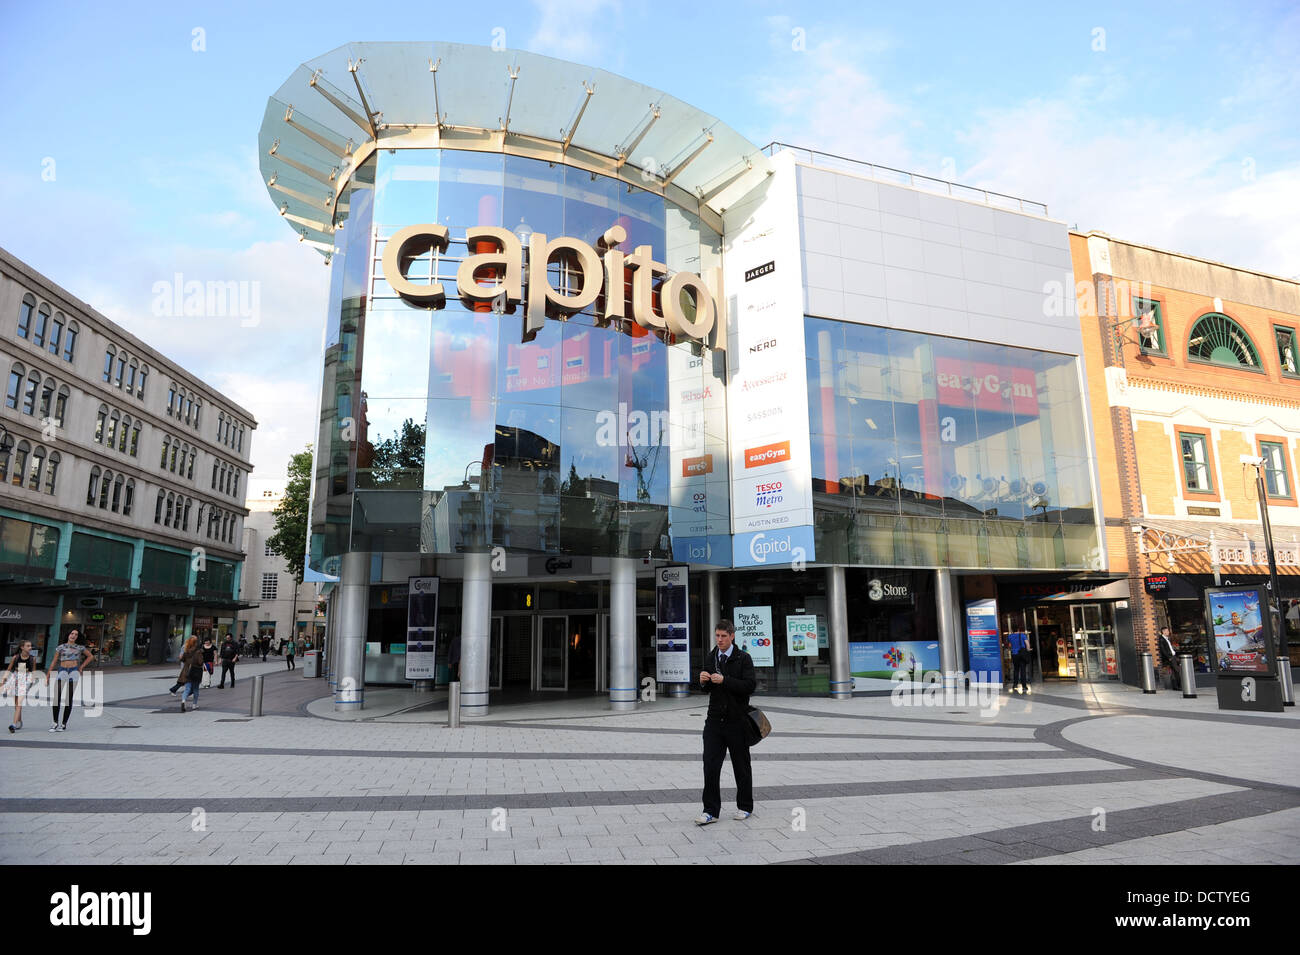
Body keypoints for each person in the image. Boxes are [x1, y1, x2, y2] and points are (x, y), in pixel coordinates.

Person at [696, 619, 756, 826]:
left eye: (723, 636)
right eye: (717, 636)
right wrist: (703, 682)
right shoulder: (711, 657)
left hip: (737, 721)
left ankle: (745, 806)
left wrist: (725, 681)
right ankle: (710, 810)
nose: (719, 640)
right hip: (713, 721)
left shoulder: (743, 658)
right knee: (710, 766)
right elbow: (707, 690)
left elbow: (749, 686)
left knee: (741, 766)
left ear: (732, 636)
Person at [47, 630, 93, 732]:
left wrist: (81, 667)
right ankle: (54, 722)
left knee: (69, 698)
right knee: (56, 697)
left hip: (74, 672)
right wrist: (48, 674)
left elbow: (90, 656)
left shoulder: (79, 647)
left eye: (76, 635)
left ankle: (63, 724)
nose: (73, 635)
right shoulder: (60, 647)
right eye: (72, 633)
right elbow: (54, 661)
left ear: (77, 637)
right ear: (68, 635)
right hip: (62, 670)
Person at [6, 639, 39, 732]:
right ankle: (19, 721)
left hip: (26, 680)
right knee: (16, 704)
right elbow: (9, 669)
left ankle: (13, 724)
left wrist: (31, 682)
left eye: (30, 646)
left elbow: (34, 672)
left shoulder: (33, 659)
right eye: (28, 646)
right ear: (22, 647)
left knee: (19, 703)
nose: (30, 647)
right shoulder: (15, 657)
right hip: (15, 679)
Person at [178, 637, 204, 712]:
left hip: (187, 671)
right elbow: (200, 662)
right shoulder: (198, 651)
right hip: (196, 671)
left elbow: (182, 659)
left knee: (187, 689)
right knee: (195, 688)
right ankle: (194, 705)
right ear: (196, 643)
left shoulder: (186, 651)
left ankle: (183, 701)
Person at [1158, 627, 1180, 691]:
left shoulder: (1167, 639)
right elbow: (1163, 650)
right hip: (1170, 657)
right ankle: (1178, 686)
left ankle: (1175, 687)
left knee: (1173, 672)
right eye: (1167, 631)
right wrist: (1169, 657)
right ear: (1163, 631)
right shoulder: (1162, 639)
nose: (1168, 632)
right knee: (1176, 671)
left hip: (1173, 656)